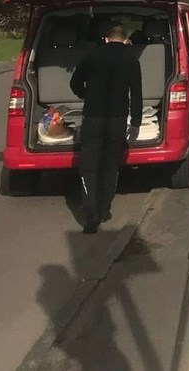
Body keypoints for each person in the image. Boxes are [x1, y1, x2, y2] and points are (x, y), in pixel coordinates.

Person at [69, 21, 142, 234]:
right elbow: (136, 94)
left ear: (106, 39)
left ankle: (91, 214)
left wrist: (86, 95)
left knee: (89, 167)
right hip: (117, 120)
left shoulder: (92, 56)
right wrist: (135, 122)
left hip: (93, 117)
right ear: (125, 39)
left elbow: (75, 83)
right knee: (111, 167)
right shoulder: (131, 60)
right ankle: (105, 209)